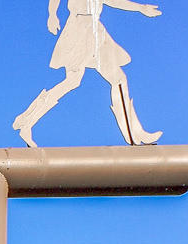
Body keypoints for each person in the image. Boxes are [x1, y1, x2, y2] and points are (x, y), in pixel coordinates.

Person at [13, 0, 164, 146]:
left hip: (95, 30)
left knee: (118, 79)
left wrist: (140, 8)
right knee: (73, 81)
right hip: (79, 31)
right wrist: (52, 14)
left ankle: (135, 132)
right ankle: (27, 122)